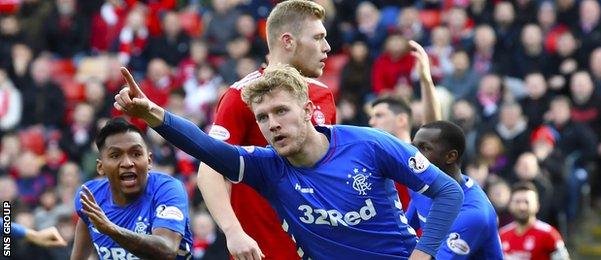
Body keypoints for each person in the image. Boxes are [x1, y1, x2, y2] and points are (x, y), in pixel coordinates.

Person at [114, 63, 463, 259]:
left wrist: (423, 254)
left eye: (281, 111)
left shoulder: (371, 145)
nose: (272, 124)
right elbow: (206, 148)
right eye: (263, 118)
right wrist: (154, 114)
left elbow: (449, 192)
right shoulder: (267, 167)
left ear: (309, 110)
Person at [198, 1, 336, 259]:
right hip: (263, 252)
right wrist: (233, 232)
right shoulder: (242, 95)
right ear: (288, 41)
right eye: (318, 38)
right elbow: (210, 170)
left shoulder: (323, 95)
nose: (327, 47)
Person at [406, 40, 504, 259]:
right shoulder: (421, 186)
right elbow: (401, 236)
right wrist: (425, 80)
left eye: (423, 148)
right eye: (414, 147)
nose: (414, 155)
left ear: (450, 157)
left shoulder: (473, 213)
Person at [70, 118, 193, 260]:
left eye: (136, 154)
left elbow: (167, 250)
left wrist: (112, 230)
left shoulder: (167, 189)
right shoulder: (90, 196)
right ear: (100, 167)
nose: (127, 163)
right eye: (115, 155)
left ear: (149, 161)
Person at [499, 182, 570, 259]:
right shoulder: (502, 234)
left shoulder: (549, 234)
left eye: (527, 202)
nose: (522, 207)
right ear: (510, 205)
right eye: (517, 202)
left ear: (537, 206)